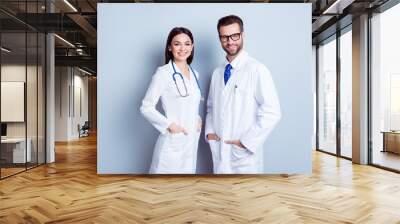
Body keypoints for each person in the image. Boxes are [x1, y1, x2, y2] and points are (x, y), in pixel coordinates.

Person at [205, 15, 281, 174]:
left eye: (234, 36)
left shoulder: (257, 69)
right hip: (220, 152)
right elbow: (211, 108)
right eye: (224, 37)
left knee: (246, 196)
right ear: (220, 39)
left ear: (243, 35)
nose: (230, 41)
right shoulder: (217, 73)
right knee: (220, 197)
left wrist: (245, 143)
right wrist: (210, 133)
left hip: (243, 156)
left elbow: (272, 112)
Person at [140, 27, 202, 174]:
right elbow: (146, 107)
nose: (183, 48)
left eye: (187, 44)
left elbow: (190, 103)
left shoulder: (195, 74)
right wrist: (170, 125)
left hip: (191, 141)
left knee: (185, 190)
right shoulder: (163, 73)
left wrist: (197, 118)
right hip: (173, 141)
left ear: (192, 47)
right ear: (169, 47)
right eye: (177, 44)